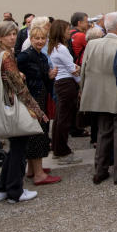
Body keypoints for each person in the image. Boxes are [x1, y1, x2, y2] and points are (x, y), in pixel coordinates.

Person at [0, 21, 48, 203]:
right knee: (18, 150)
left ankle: (2, 185)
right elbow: (20, 88)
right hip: (14, 106)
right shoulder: (6, 56)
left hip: (5, 104)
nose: (12, 37)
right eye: (8, 34)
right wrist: (37, 110)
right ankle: (15, 190)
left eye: (14, 34)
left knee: (14, 147)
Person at [79, 12, 117, 185]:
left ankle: (100, 170)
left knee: (103, 133)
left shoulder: (92, 44)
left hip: (97, 95)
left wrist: (83, 91)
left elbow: (83, 70)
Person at [17, 26, 61, 186]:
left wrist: (49, 76)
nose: (40, 41)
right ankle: (39, 174)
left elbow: (42, 76)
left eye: (43, 38)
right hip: (32, 99)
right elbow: (16, 75)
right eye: (37, 38)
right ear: (31, 39)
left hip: (40, 96)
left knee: (38, 132)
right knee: (37, 134)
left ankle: (32, 169)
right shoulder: (25, 56)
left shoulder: (40, 55)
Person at [48, 20, 83, 165]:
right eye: (67, 30)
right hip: (67, 84)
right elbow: (72, 69)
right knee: (64, 119)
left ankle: (57, 148)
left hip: (61, 83)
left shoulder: (54, 47)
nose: (70, 32)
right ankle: (62, 151)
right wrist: (81, 84)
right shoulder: (61, 48)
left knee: (59, 118)